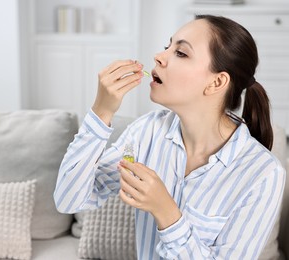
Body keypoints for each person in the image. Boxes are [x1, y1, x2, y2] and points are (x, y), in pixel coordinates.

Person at [53, 14, 286, 259]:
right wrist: (102, 111)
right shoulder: (148, 133)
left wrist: (167, 213)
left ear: (217, 82)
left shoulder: (264, 174)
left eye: (181, 53)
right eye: (168, 46)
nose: (159, 56)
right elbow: (69, 200)